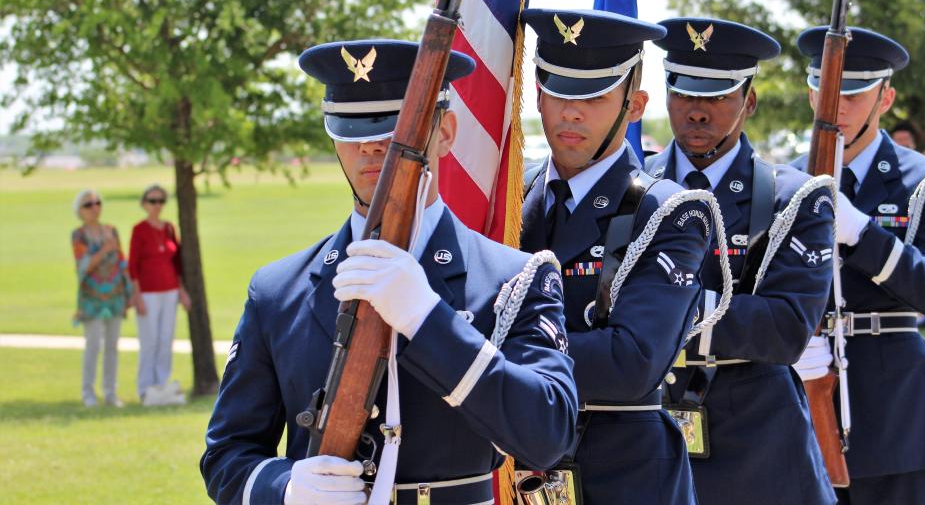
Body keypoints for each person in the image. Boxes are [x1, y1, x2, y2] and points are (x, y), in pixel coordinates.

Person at [201, 40, 579, 505]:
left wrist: (427, 319)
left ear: (445, 132)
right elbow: (227, 456)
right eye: (352, 131)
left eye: (396, 128)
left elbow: (548, 434)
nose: (372, 147)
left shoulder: (511, 280)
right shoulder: (279, 292)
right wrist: (286, 489)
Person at [518, 8, 711, 505]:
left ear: (634, 105)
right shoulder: (510, 200)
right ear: (537, 94)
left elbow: (631, 363)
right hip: (516, 466)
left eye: (595, 96)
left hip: (625, 474)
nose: (572, 111)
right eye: (558, 92)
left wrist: (487, 351)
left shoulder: (670, 212)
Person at [645, 17, 836, 505]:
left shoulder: (793, 198)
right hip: (645, 433)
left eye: (716, 96)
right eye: (684, 93)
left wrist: (659, 310)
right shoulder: (633, 188)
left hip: (758, 441)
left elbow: (787, 327)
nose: (697, 112)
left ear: (748, 102)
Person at [793, 26, 925, 504]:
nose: (837, 106)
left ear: (884, 98)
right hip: (805, 392)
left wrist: (863, 234)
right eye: (826, 91)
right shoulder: (785, 178)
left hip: (896, 408)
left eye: (853, 93)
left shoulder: (924, 178)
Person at [128, 184, 191, 406]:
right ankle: (145, 388)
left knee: (166, 339)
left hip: (170, 290)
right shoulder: (140, 229)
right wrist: (136, 295)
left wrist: (182, 291)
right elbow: (133, 264)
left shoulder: (169, 229)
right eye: (152, 201)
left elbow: (176, 263)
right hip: (148, 292)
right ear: (144, 203)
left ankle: (162, 385)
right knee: (149, 341)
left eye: (160, 201)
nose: (157, 205)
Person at [71, 189, 130, 408]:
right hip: (91, 299)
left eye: (97, 203)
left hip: (114, 297)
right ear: (80, 210)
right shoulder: (79, 235)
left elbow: (122, 263)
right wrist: (105, 249)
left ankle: (110, 392)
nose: (94, 208)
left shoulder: (111, 230)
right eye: (88, 205)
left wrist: (129, 292)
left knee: (112, 346)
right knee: (93, 345)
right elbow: (83, 266)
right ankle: (88, 392)